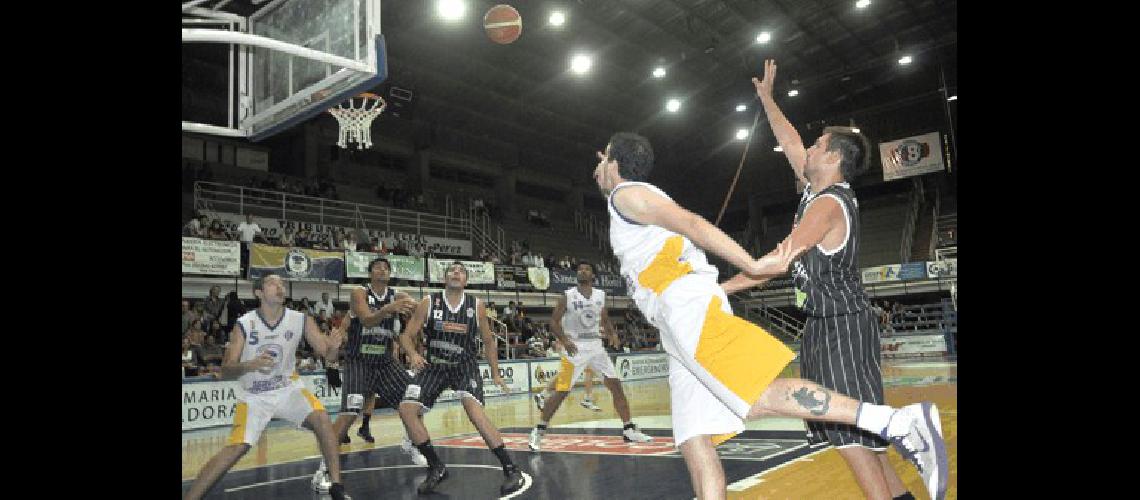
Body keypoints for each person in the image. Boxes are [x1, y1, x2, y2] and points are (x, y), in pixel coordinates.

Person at [593, 130, 947, 500]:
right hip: (675, 319)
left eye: (602, 162)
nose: (596, 169)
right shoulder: (628, 199)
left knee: (753, 395)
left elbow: (693, 223)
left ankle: (897, 421)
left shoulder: (627, 194)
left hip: (685, 308)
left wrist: (752, 265)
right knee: (694, 437)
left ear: (614, 163)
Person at [728, 59, 928, 500]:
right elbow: (790, 140)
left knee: (853, 441)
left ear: (835, 157)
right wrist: (767, 99)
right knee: (866, 444)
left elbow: (777, 263)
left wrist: (719, 289)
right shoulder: (815, 192)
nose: (809, 150)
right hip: (825, 326)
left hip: (843, 327)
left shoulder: (827, 205)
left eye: (819, 145)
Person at [184, 274, 350, 500]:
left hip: (288, 389)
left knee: (322, 420)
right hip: (254, 395)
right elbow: (226, 370)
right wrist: (250, 364)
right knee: (237, 448)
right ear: (259, 293)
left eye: (282, 284)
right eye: (273, 284)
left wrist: (334, 346)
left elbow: (327, 354)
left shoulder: (300, 319)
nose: (280, 287)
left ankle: (337, 487)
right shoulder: (245, 323)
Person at [397, 262, 525, 495]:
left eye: (461, 271)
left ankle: (510, 467)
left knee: (475, 413)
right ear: (444, 278)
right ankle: (436, 466)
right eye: (452, 271)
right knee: (406, 409)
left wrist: (495, 372)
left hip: (464, 366)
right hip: (434, 366)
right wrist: (413, 353)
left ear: (466, 280)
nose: (456, 273)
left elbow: (488, 341)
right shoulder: (429, 302)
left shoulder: (476, 305)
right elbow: (406, 336)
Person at [311, 257, 427, 492]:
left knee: (414, 400)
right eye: (377, 266)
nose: (382, 269)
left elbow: (419, 309)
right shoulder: (359, 293)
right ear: (370, 273)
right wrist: (388, 309)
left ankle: (411, 441)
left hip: (384, 362)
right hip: (359, 361)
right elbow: (367, 319)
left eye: (386, 267)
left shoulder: (398, 295)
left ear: (390, 274)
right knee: (349, 412)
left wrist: (421, 311)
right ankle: (323, 468)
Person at [528, 261, 652, 451]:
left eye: (586, 269)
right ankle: (539, 430)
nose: (582, 271)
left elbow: (604, 319)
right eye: (579, 269)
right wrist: (565, 340)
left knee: (616, 386)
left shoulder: (601, 295)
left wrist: (612, 334)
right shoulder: (568, 296)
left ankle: (628, 428)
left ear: (593, 275)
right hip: (574, 348)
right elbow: (553, 322)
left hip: (596, 347)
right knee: (561, 391)